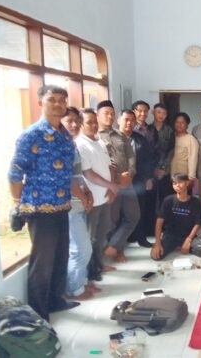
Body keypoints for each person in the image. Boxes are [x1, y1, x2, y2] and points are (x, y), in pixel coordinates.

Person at [8, 85, 77, 320]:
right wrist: (17, 204)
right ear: (41, 103)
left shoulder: (65, 135)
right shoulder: (32, 135)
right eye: (52, 99)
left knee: (60, 257)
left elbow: (67, 171)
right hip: (39, 208)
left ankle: (56, 300)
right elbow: (15, 173)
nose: (58, 104)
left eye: (62, 100)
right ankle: (38, 313)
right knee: (43, 263)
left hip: (62, 206)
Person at [76, 108, 119, 283]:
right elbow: (88, 173)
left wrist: (112, 187)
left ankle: (99, 265)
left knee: (102, 233)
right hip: (91, 200)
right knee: (91, 237)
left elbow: (110, 167)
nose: (94, 125)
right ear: (81, 124)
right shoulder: (80, 145)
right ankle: (91, 273)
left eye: (95, 121)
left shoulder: (99, 142)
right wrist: (111, 185)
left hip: (105, 197)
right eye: (89, 122)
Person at [97, 100, 139, 262]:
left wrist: (130, 174)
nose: (110, 117)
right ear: (98, 115)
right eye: (106, 113)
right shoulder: (95, 137)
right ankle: (117, 251)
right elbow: (103, 163)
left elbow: (131, 156)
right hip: (109, 185)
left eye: (112, 114)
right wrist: (117, 178)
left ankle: (113, 246)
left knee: (133, 216)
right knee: (112, 220)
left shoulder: (120, 135)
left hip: (127, 183)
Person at [61, 107, 95, 301]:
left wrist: (87, 193)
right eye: (69, 121)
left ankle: (82, 283)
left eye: (76, 121)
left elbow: (78, 175)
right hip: (70, 207)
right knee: (81, 249)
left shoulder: (71, 144)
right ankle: (75, 290)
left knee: (83, 247)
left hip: (80, 203)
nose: (74, 125)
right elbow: (68, 179)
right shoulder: (62, 147)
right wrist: (83, 198)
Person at [119, 110, 155, 248]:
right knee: (119, 211)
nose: (129, 123)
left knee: (140, 209)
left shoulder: (140, 139)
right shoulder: (113, 138)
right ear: (119, 120)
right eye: (126, 119)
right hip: (118, 180)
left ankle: (141, 237)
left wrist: (148, 178)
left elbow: (148, 160)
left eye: (132, 120)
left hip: (138, 179)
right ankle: (121, 241)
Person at [151, 174, 201, 260]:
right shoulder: (168, 200)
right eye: (174, 183)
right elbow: (159, 222)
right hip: (170, 235)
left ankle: (181, 246)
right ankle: (172, 244)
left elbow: (198, 223)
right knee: (156, 255)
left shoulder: (195, 202)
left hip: (187, 235)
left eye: (180, 182)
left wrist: (189, 239)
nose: (177, 185)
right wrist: (157, 243)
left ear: (187, 183)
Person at [169, 112, 199, 182]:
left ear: (187, 125)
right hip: (171, 174)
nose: (179, 125)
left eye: (182, 122)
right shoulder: (171, 137)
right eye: (177, 122)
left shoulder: (191, 139)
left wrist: (191, 177)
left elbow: (193, 159)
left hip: (184, 176)